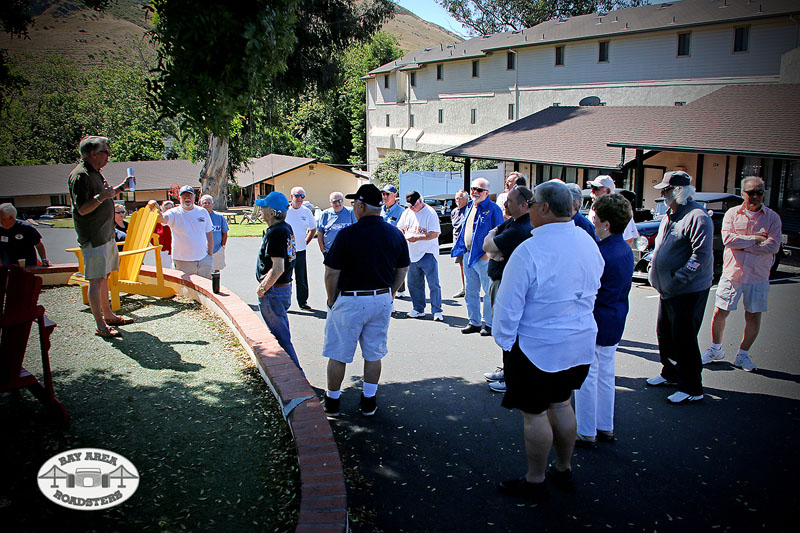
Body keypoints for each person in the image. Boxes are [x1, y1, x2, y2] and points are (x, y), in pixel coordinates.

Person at [492, 181, 604, 501]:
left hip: (537, 347)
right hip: (579, 340)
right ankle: (564, 468)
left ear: (542, 208)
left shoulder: (530, 250)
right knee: (562, 403)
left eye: (532, 205)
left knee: (536, 413)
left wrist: (505, 342)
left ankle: (535, 479)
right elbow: (595, 283)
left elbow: (508, 307)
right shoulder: (586, 240)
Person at [321, 184, 410, 417]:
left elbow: (331, 272)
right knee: (374, 353)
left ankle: (332, 402)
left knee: (339, 353)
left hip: (350, 299)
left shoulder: (347, 234)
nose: (353, 207)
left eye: (354, 204)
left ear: (361, 205)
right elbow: (403, 268)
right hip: (380, 298)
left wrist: (332, 300)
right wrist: (390, 292)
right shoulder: (395, 233)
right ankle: (368, 400)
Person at [646, 171, 714, 404]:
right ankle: (671, 373)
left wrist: (678, 279)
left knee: (684, 338)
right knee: (665, 334)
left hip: (687, 291)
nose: (663, 194)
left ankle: (692, 387)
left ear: (678, 191)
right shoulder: (670, 214)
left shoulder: (697, 216)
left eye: (665, 190)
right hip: (668, 290)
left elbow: (701, 256)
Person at [701, 176, 782, 372]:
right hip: (732, 273)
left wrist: (743, 245)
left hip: (758, 275)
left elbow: (774, 245)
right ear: (743, 194)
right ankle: (715, 349)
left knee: (753, 316)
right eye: (751, 192)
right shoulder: (732, 214)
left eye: (759, 192)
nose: (755, 196)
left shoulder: (772, 218)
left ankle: (743, 355)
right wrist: (755, 239)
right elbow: (728, 239)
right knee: (720, 311)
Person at [574, 193, 634, 446]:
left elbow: (586, 289)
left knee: (587, 375)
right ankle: (604, 425)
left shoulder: (601, 253)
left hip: (597, 317)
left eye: (596, 218)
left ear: (606, 224)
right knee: (606, 374)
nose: (593, 221)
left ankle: (587, 430)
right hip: (616, 315)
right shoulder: (625, 249)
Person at [67, 135, 133, 338]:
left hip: (106, 235)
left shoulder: (96, 172)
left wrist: (121, 188)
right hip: (94, 238)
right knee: (96, 280)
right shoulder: (80, 175)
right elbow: (82, 209)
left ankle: (109, 315)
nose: (109, 155)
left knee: (103, 277)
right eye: (105, 151)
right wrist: (102, 197)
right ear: (92, 154)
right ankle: (101, 326)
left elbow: (107, 193)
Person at [481, 186, 534, 393]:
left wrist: (494, 249)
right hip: (499, 280)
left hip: (506, 284)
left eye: (510, 201)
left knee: (508, 331)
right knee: (505, 330)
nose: (505, 204)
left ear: (523, 205)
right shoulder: (512, 223)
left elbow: (489, 247)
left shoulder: (521, 228)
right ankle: (508, 370)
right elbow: (490, 244)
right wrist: (494, 247)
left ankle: (512, 378)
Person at [451, 177, 504, 336]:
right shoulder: (469, 207)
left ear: (487, 192)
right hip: (468, 254)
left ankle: (488, 324)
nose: (475, 192)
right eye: (473, 189)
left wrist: (490, 254)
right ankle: (473, 321)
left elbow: (500, 232)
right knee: (471, 292)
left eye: (479, 190)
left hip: (484, 257)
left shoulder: (493, 209)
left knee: (488, 293)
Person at [255, 192, 301, 371]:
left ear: (272, 212)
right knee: (281, 333)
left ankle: (297, 376)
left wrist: (262, 288)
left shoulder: (276, 232)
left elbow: (278, 268)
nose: (261, 210)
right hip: (281, 289)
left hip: (274, 292)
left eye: (264, 207)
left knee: (280, 336)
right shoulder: (285, 228)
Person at [397, 191, 443, 321]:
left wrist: (417, 237)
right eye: (409, 205)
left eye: (413, 205)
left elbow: (434, 233)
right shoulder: (407, 212)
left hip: (427, 252)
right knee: (413, 283)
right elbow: (400, 227)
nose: (411, 207)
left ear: (420, 201)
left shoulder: (430, 213)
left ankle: (437, 311)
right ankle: (418, 308)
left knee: (433, 283)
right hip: (411, 253)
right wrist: (403, 234)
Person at [149, 186, 213, 279]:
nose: (187, 197)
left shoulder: (202, 211)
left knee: (207, 288)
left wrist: (209, 255)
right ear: (179, 198)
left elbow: (209, 233)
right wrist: (154, 206)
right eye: (184, 195)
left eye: (190, 195)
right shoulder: (174, 213)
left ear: (194, 197)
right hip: (182, 261)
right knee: (187, 291)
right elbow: (162, 219)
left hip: (203, 259)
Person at [286, 186, 317, 310]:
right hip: (286, 251)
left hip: (300, 251)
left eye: (302, 196)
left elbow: (313, 229)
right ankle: (285, 303)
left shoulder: (306, 211)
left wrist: (306, 242)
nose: (300, 199)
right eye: (297, 195)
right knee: (286, 277)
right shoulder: (285, 211)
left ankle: (303, 302)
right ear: (291, 197)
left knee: (301, 277)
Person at [586, 175, 639, 245]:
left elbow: (628, 239)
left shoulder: (620, 209)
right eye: (592, 188)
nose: (592, 192)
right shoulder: (594, 207)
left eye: (596, 189)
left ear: (607, 191)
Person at [0, 203, 50, 267]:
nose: (0, 221)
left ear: (11, 217)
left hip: (28, 265)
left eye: (2, 219)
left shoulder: (26, 228)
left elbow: (39, 245)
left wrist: (44, 260)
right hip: (6, 266)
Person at [381, 184, 406, 297]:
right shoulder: (379, 210)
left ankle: (393, 296)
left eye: (387, 194)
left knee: (394, 273)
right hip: (380, 248)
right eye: (383, 194)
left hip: (394, 248)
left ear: (394, 195)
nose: (384, 196)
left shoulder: (402, 211)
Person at [317, 191, 357, 256]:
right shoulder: (325, 214)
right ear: (330, 202)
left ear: (343, 201)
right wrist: (323, 250)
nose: (337, 204)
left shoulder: (351, 212)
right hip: (329, 252)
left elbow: (357, 231)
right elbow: (320, 234)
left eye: (340, 201)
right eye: (334, 202)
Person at [199, 194, 229, 276]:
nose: (207, 205)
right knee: (204, 272)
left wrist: (222, 246)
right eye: (205, 203)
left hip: (217, 249)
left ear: (212, 204)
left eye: (209, 203)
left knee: (216, 271)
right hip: (202, 250)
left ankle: (216, 288)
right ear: (201, 204)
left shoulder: (219, 217)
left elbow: (225, 233)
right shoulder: (198, 217)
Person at [450, 190, 469, 298]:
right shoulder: (454, 212)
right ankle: (464, 288)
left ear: (466, 199)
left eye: (460, 198)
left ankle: (473, 288)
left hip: (467, 243)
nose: (457, 200)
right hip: (457, 243)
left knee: (472, 266)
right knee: (461, 265)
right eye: (456, 198)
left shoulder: (469, 210)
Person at [153, 200, 174, 269]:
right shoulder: (156, 222)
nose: (168, 210)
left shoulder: (176, 220)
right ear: (162, 209)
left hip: (175, 252)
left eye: (170, 208)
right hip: (162, 254)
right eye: (166, 208)